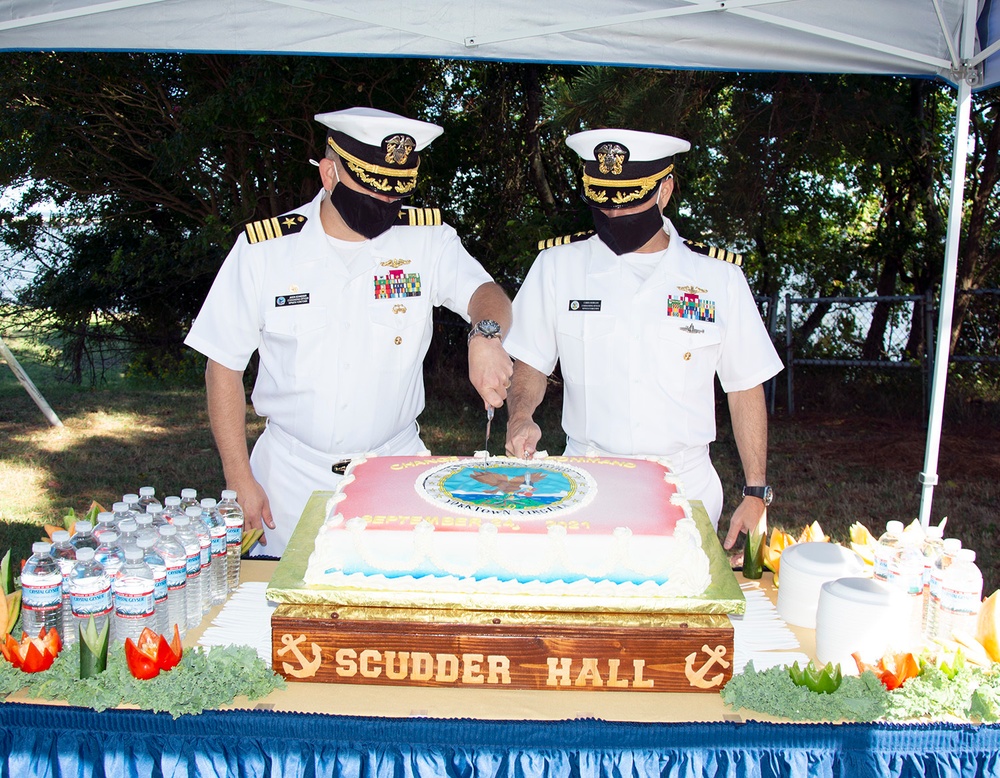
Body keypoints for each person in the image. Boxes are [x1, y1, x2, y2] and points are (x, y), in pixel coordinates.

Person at [185, 107, 513, 556]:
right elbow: (222, 365)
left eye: (394, 194)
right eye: (369, 191)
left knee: (394, 610)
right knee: (283, 615)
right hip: (288, 478)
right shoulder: (266, 251)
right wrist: (239, 479)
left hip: (393, 472)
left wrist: (487, 335)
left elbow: (487, 293)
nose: (383, 207)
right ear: (329, 173)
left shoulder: (425, 240)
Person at [504, 128, 782, 550]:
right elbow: (530, 362)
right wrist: (520, 415)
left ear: (664, 189)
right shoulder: (558, 266)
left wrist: (756, 491)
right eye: (602, 199)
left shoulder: (717, 277)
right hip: (586, 481)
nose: (614, 216)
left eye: (630, 200)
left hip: (684, 485)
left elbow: (745, 386)